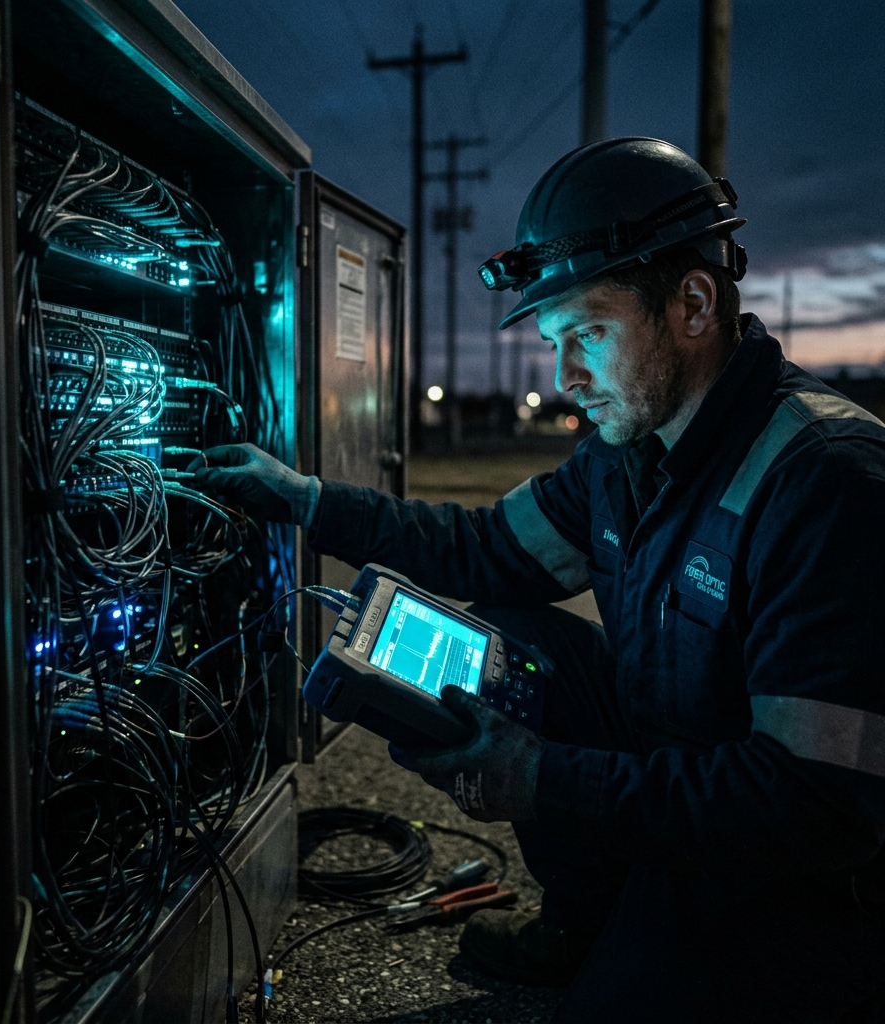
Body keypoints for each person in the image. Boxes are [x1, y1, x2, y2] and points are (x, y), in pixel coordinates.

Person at [190, 138, 885, 1022]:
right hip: (689, 796)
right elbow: (486, 549)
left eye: (589, 333)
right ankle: (594, 922)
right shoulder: (623, 455)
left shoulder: (826, 480)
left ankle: (641, 946)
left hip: (804, 890)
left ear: (694, 304)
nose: (565, 379)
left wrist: (541, 778)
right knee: (525, 640)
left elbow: (813, 807)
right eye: (558, 343)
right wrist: (308, 501)